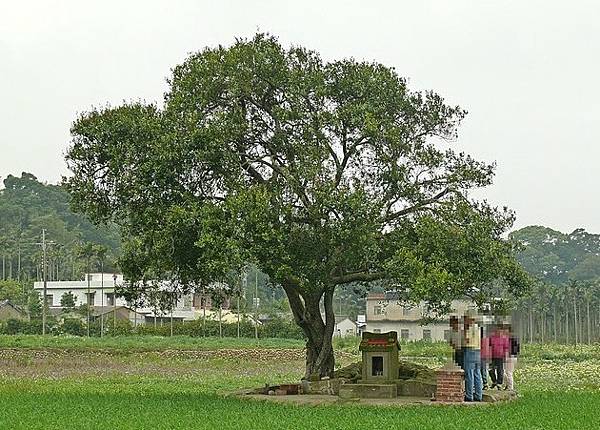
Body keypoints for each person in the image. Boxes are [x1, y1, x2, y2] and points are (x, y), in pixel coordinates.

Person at [462, 310, 483, 402]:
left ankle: (469, 395)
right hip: (478, 351)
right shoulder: (477, 328)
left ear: (469, 319)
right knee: (477, 374)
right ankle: (478, 395)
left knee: (469, 374)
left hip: (470, 351)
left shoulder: (470, 328)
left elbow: (466, 341)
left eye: (465, 319)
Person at [489, 324, 509, 389]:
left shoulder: (504, 338)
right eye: (496, 330)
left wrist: (506, 355)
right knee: (491, 370)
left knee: (500, 370)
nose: (498, 331)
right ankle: (494, 381)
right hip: (492, 356)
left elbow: (506, 348)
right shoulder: (492, 337)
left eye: (499, 330)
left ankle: (499, 383)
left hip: (500, 356)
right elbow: (489, 346)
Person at [504, 325, 520, 391]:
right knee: (505, 372)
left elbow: (516, 349)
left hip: (511, 357)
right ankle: (508, 385)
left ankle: (510, 387)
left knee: (509, 372)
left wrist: (511, 354)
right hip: (509, 356)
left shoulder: (512, 339)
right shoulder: (511, 338)